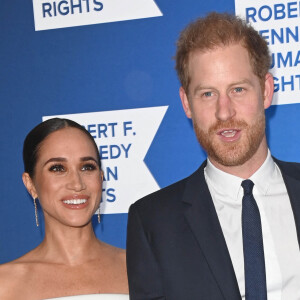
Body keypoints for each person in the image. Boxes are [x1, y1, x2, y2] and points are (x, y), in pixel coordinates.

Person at [126, 12, 300, 300]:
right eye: (207, 94)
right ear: (186, 103)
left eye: (238, 90)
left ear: (267, 91)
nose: (224, 112)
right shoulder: (153, 222)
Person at [0, 118, 129, 299]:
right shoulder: (5, 284)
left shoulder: (139, 268)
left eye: (87, 167)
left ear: (101, 178)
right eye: (58, 168)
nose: (77, 184)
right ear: (30, 184)